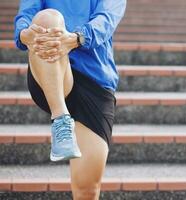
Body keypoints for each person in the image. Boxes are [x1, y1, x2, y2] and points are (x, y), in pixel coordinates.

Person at [14, 0, 126, 199]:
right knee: (48, 18)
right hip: (50, 71)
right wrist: (25, 34)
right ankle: (60, 117)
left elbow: (106, 20)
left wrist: (75, 39)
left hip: (95, 79)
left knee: (87, 189)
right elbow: (26, 15)